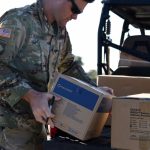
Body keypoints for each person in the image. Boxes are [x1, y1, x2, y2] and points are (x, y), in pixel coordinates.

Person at [0, 0, 113, 149]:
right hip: (7, 133)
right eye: (74, 10)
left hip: (36, 133)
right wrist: (32, 95)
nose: (75, 17)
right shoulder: (18, 21)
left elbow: (68, 66)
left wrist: (98, 93)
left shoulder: (60, 33)